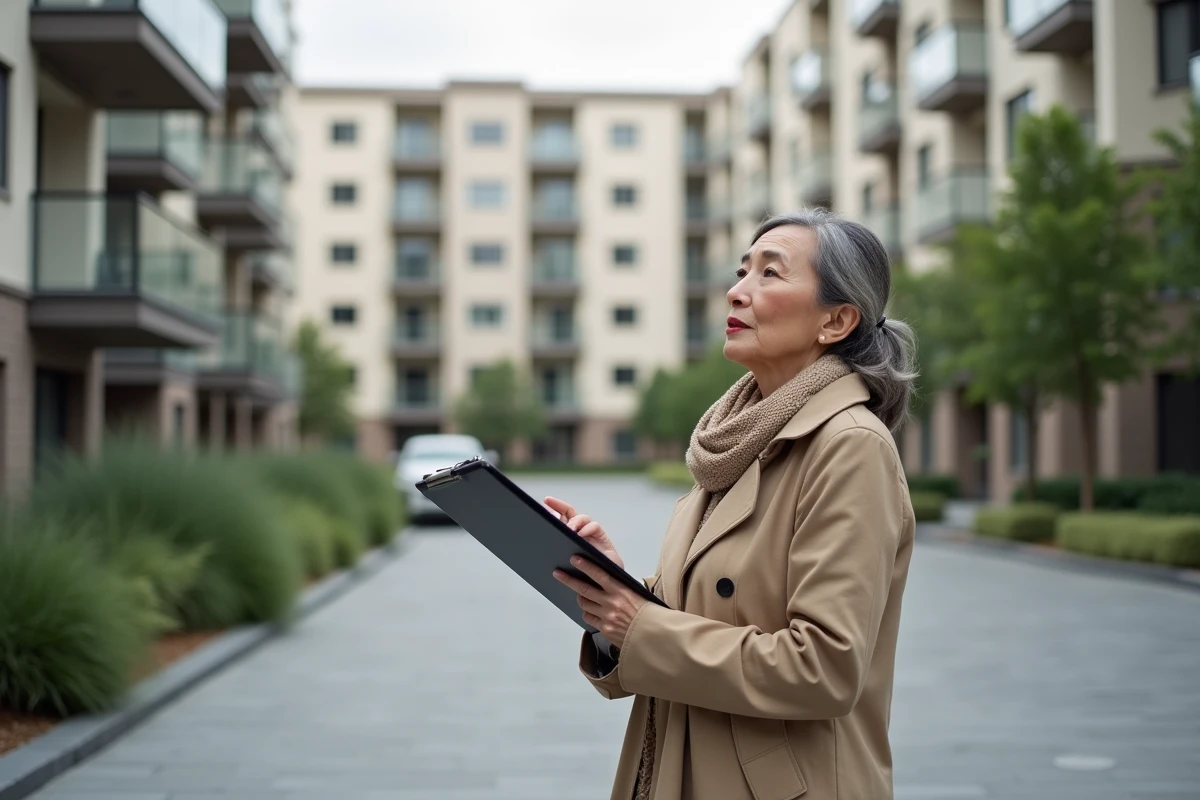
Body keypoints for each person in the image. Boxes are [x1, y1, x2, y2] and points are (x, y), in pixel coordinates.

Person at [550, 208, 918, 800]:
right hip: (679, 765)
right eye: (741, 270)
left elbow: (824, 667)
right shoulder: (736, 439)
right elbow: (710, 612)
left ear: (836, 320)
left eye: (769, 274)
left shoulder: (849, 448)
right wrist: (616, 587)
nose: (737, 291)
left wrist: (644, 628)